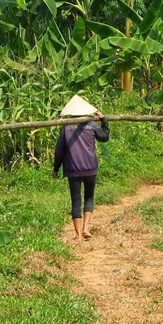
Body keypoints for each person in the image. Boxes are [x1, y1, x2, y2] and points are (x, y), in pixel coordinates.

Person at [53, 95, 110, 242]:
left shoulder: (66, 127)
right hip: (90, 168)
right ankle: (85, 228)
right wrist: (104, 121)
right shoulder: (91, 124)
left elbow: (59, 150)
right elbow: (104, 137)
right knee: (89, 197)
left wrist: (56, 168)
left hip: (73, 169)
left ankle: (78, 235)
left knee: (76, 200)